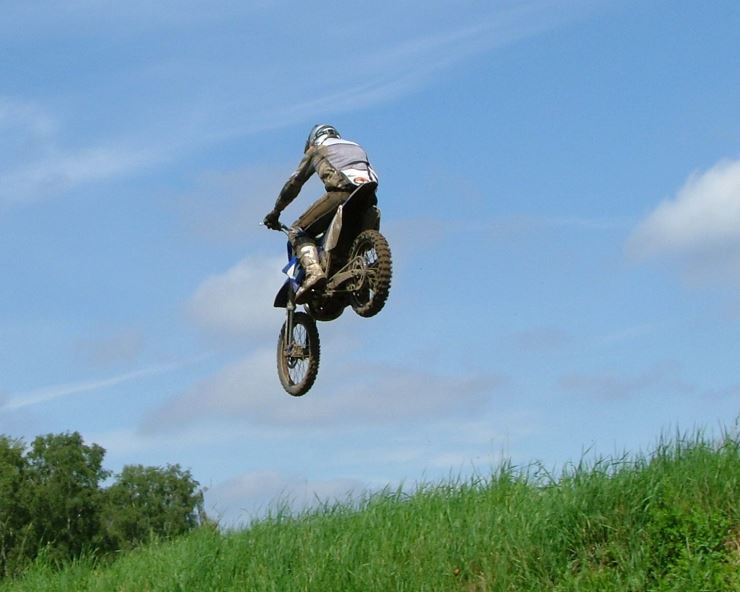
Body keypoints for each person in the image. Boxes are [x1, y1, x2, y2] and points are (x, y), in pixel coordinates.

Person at [263, 124, 379, 304]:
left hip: (340, 193)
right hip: (369, 198)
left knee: (297, 230)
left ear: (313, 139)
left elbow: (294, 184)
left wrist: (276, 211)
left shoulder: (317, 149)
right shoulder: (355, 146)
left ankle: (313, 272)